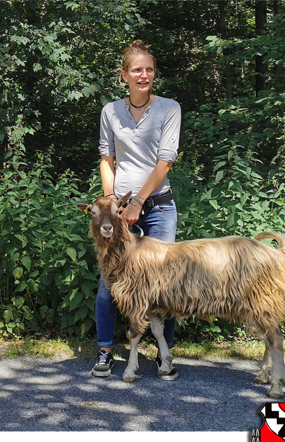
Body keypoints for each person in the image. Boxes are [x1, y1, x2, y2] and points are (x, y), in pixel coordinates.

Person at [93, 40, 182, 380]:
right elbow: (106, 159)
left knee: (163, 284)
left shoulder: (169, 108)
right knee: (110, 282)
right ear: (124, 75)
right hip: (120, 211)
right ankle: (104, 352)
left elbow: (166, 160)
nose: (143, 75)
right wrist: (112, 205)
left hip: (157, 206)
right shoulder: (110, 111)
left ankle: (164, 355)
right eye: (136, 70)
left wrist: (137, 202)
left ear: (154, 74)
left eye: (149, 69)